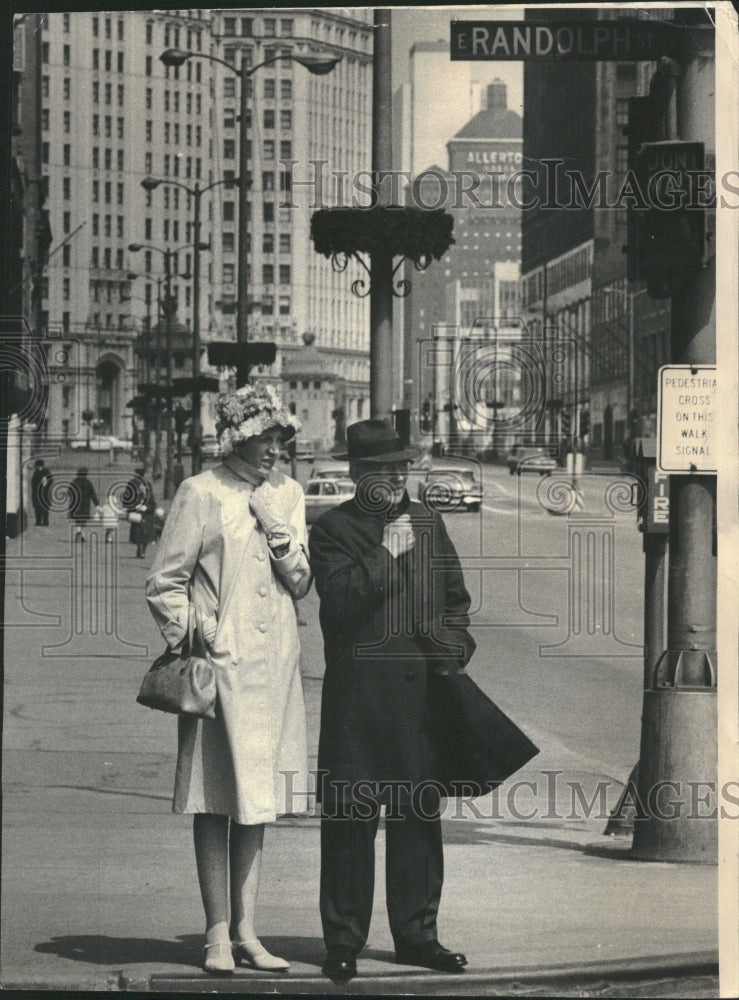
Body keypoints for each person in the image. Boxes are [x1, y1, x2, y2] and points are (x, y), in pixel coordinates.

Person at [145, 382, 312, 975]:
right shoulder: (201, 492)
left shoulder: (288, 494)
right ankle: (217, 930)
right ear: (238, 438)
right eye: (263, 437)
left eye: (278, 438)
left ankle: (248, 929)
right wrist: (199, 631)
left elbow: (301, 580)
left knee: (258, 801)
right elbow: (164, 581)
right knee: (216, 798)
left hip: (276, 669)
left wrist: (277, 527)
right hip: (221, 671)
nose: (273, 449)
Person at [308, 419, 476, 985]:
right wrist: (387, 550)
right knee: (350, 825)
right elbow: (340, 603)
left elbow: (456, 602)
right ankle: (343, 942)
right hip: (357, 704)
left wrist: (452, 653)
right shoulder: (331, 529)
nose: (397, 478)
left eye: (402, 467)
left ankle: (418, 936)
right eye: (384, 470)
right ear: (358, 475)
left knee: (417, 823)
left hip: (419, 700)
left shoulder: (429, 522)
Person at [123, 468, 156, 558]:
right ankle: (140, 549)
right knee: (139, 531)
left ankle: (142, 550)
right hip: (138, 511)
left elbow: (127, 497)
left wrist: (147, 507)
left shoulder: (135, 483)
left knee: (144, 532)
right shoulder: (136, 483)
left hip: (145, 511)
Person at [68, 467, 98, 542]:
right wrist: (97, 504)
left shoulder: (74, 481)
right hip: (85, 505)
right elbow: (93, 494)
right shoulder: (87, 482)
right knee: (83, 520)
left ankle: (79, 533)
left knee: (77, 520)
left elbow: (69, 492)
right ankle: (81, 534)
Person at [31, 459, 53, 527]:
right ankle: (39, 521)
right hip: (38, 493)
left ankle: (44, 522)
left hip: (44, 493)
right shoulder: (37, 472)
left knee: (44, 508)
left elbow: (50, 481)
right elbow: (33, 483)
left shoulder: (44, 472)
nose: (38, 468)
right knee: (38, 508)